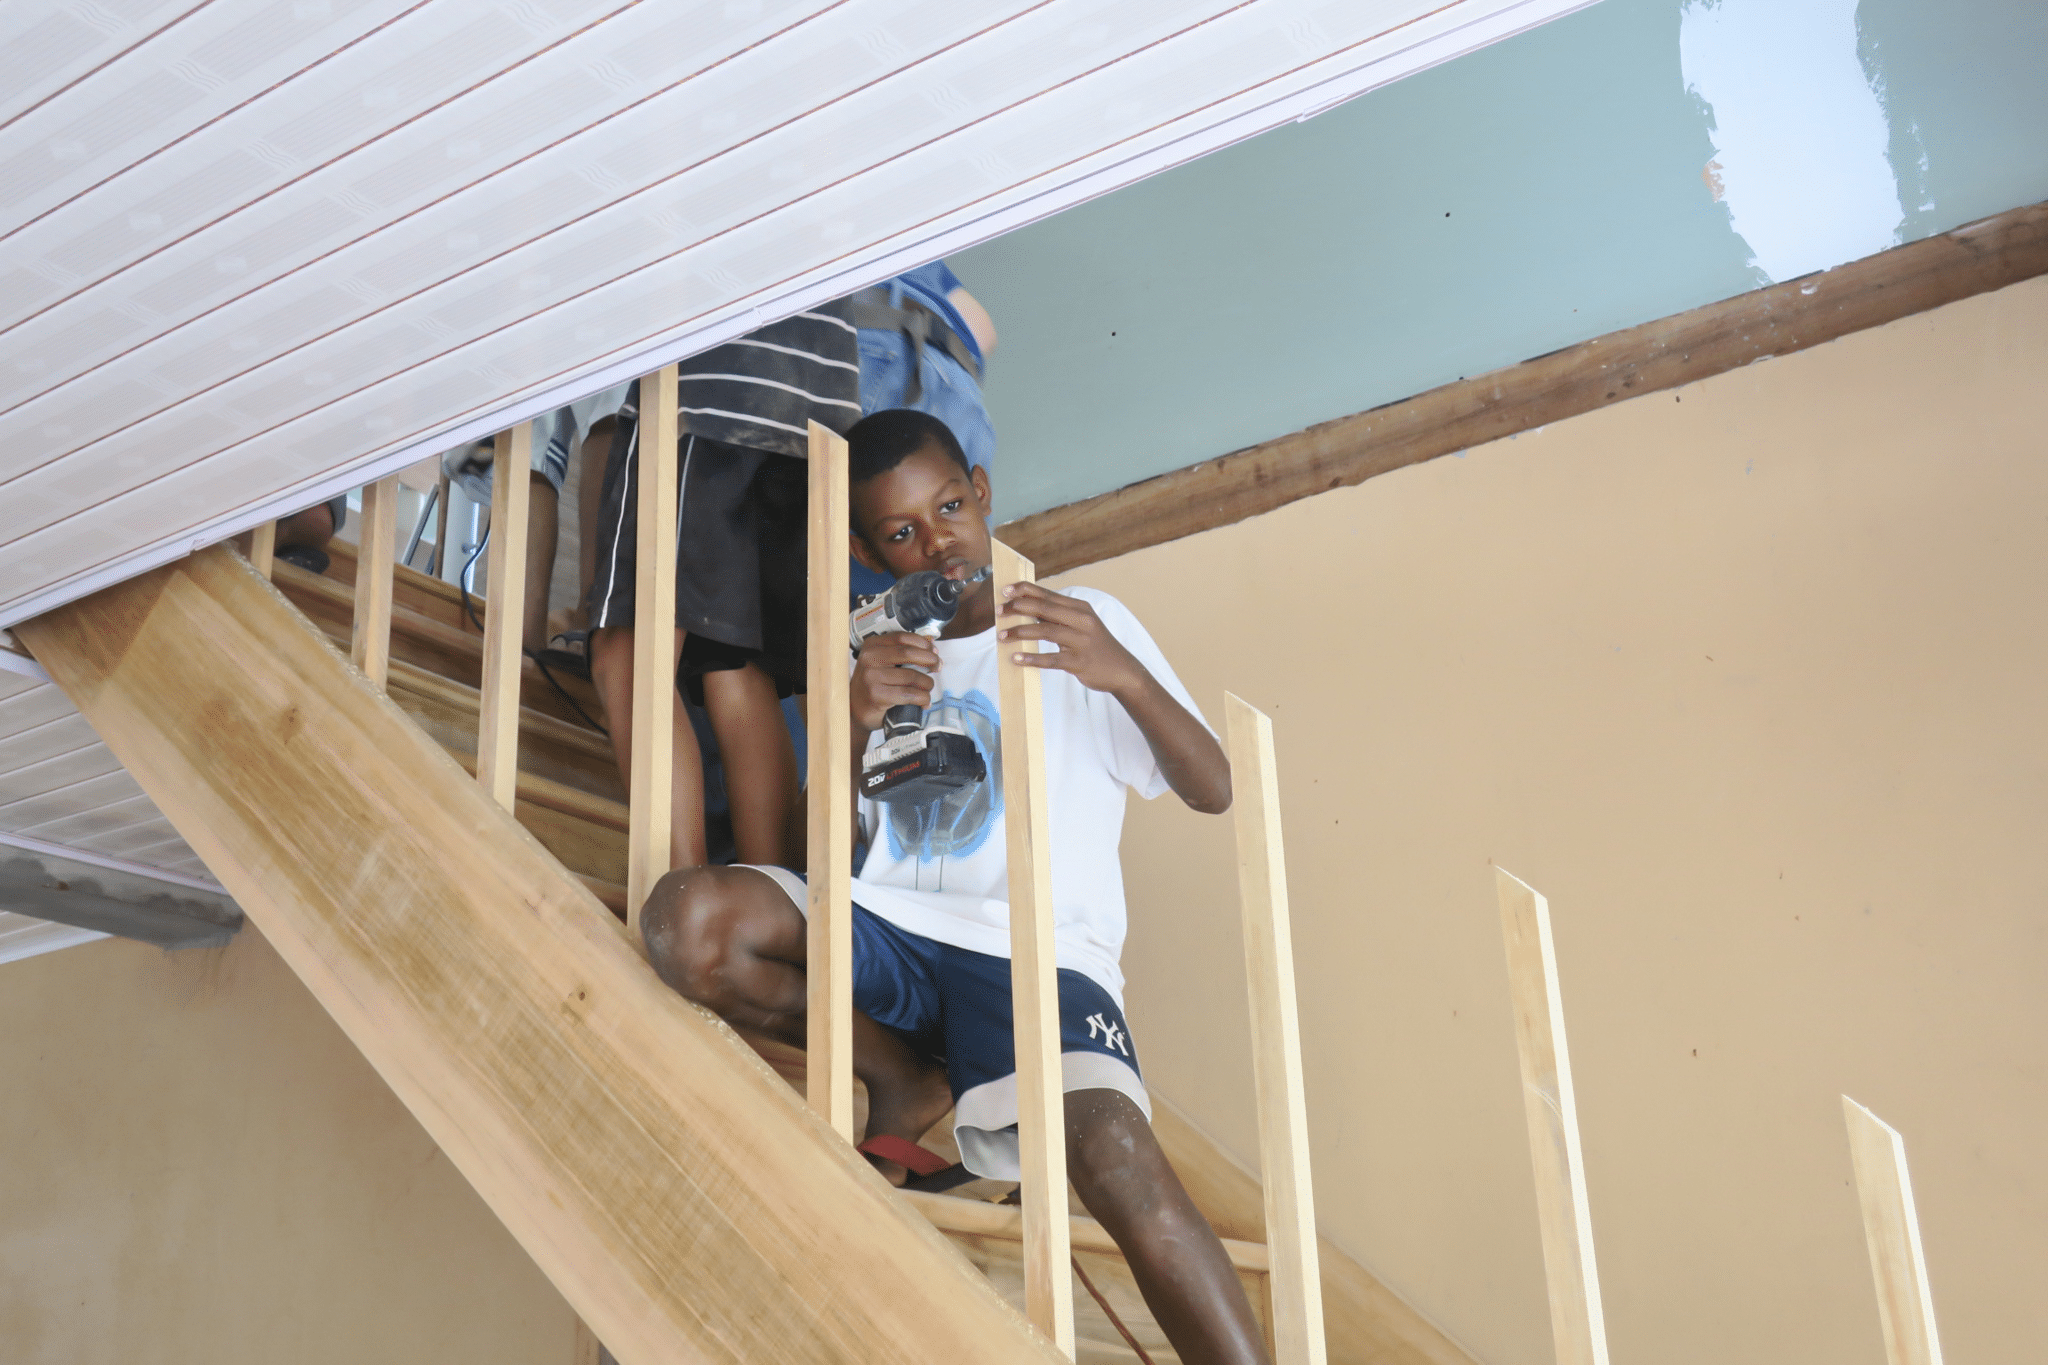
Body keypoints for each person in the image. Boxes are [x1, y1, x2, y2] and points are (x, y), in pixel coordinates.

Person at [638, 410, 1268, 1365]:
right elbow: (830, 860)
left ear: (980, 489)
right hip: (891, 928)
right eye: (902, 531)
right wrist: (850, 721)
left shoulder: (1081, 623)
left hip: (1039, 952)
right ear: (866, 549)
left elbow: (1214, 788)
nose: (938, 540)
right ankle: (902, 1073)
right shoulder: (873, 653)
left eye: (947, 507)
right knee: (687, 921)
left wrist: (1123, 674)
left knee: (1114, 1154)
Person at [583, 304, 861, 869]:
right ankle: (770, 907)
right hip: (816, 399)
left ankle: (681, 897)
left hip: (710, 387)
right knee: (736, 668)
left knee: (630, 654)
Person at [846, 262, 998, 597]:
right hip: (940, 366)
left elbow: (983, 330)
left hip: (887, 348)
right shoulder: (915, 243)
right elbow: (981, 328)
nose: (939, 539)